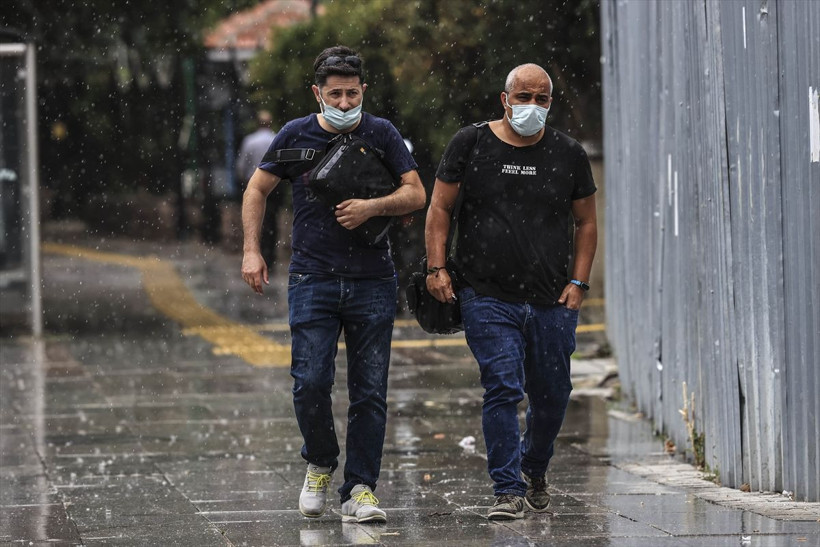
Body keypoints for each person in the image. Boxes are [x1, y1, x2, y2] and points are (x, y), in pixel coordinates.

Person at [240, 46, 426, 524]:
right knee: (309, 381)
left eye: (352, 93)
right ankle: (320, 460)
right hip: (311, 278)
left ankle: (360, 488)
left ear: (363, 90)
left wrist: (372, 207)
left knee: (370, 391)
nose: (344, 103)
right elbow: (257, 189)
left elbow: (416, 192)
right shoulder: (294, 134)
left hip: (373, 281)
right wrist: (252, 250)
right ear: (317, 93)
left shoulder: (381, 133)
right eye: (335, 94)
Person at [424, 63, 597, 521]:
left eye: (542, 99)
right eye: (524, 97)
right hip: (486, 294)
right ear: (505, 100)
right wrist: (436, 267)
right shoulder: (471, 142)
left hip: (551, 299)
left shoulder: (569, 154)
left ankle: (534, 465)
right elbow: (439, 207)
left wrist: (578, 283)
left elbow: (586, 222)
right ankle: (506, 489)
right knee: (502, 386)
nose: (532, 107)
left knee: (553, 393)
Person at [236, 110, 280, 264]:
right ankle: (271, 256)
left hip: (253, 184)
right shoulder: (277, 139)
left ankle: (256, 253)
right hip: (275, 185)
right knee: (272, 219)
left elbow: (242, 166)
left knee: (255, 219)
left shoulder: (250, 141)